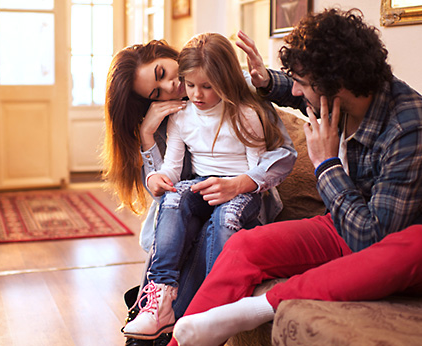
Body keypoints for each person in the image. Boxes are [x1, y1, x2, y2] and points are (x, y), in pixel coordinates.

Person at [169, 8, 422, 346]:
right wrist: (264, 80)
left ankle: (256, 308)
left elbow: (373, 240)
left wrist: (327, 164)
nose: (297, 93)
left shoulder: (410, 127)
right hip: (340, 224)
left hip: (391, 247)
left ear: (336, 86)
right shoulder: (338, 100)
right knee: (244, 246)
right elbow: (292, 90)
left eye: (304, 84)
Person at [103, 37, 297, 345]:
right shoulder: (170, 114)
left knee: (211, 228)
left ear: (169, 54)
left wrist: (241, 183)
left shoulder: (240, 94)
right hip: (186, 209)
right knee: (175, 218)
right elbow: (165, 185)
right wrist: (147, 136)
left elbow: (281, 154)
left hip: (234, 202)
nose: (171, 87)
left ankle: (179, 322)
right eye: (156, 91)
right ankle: (153, 311)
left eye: (163, 72)